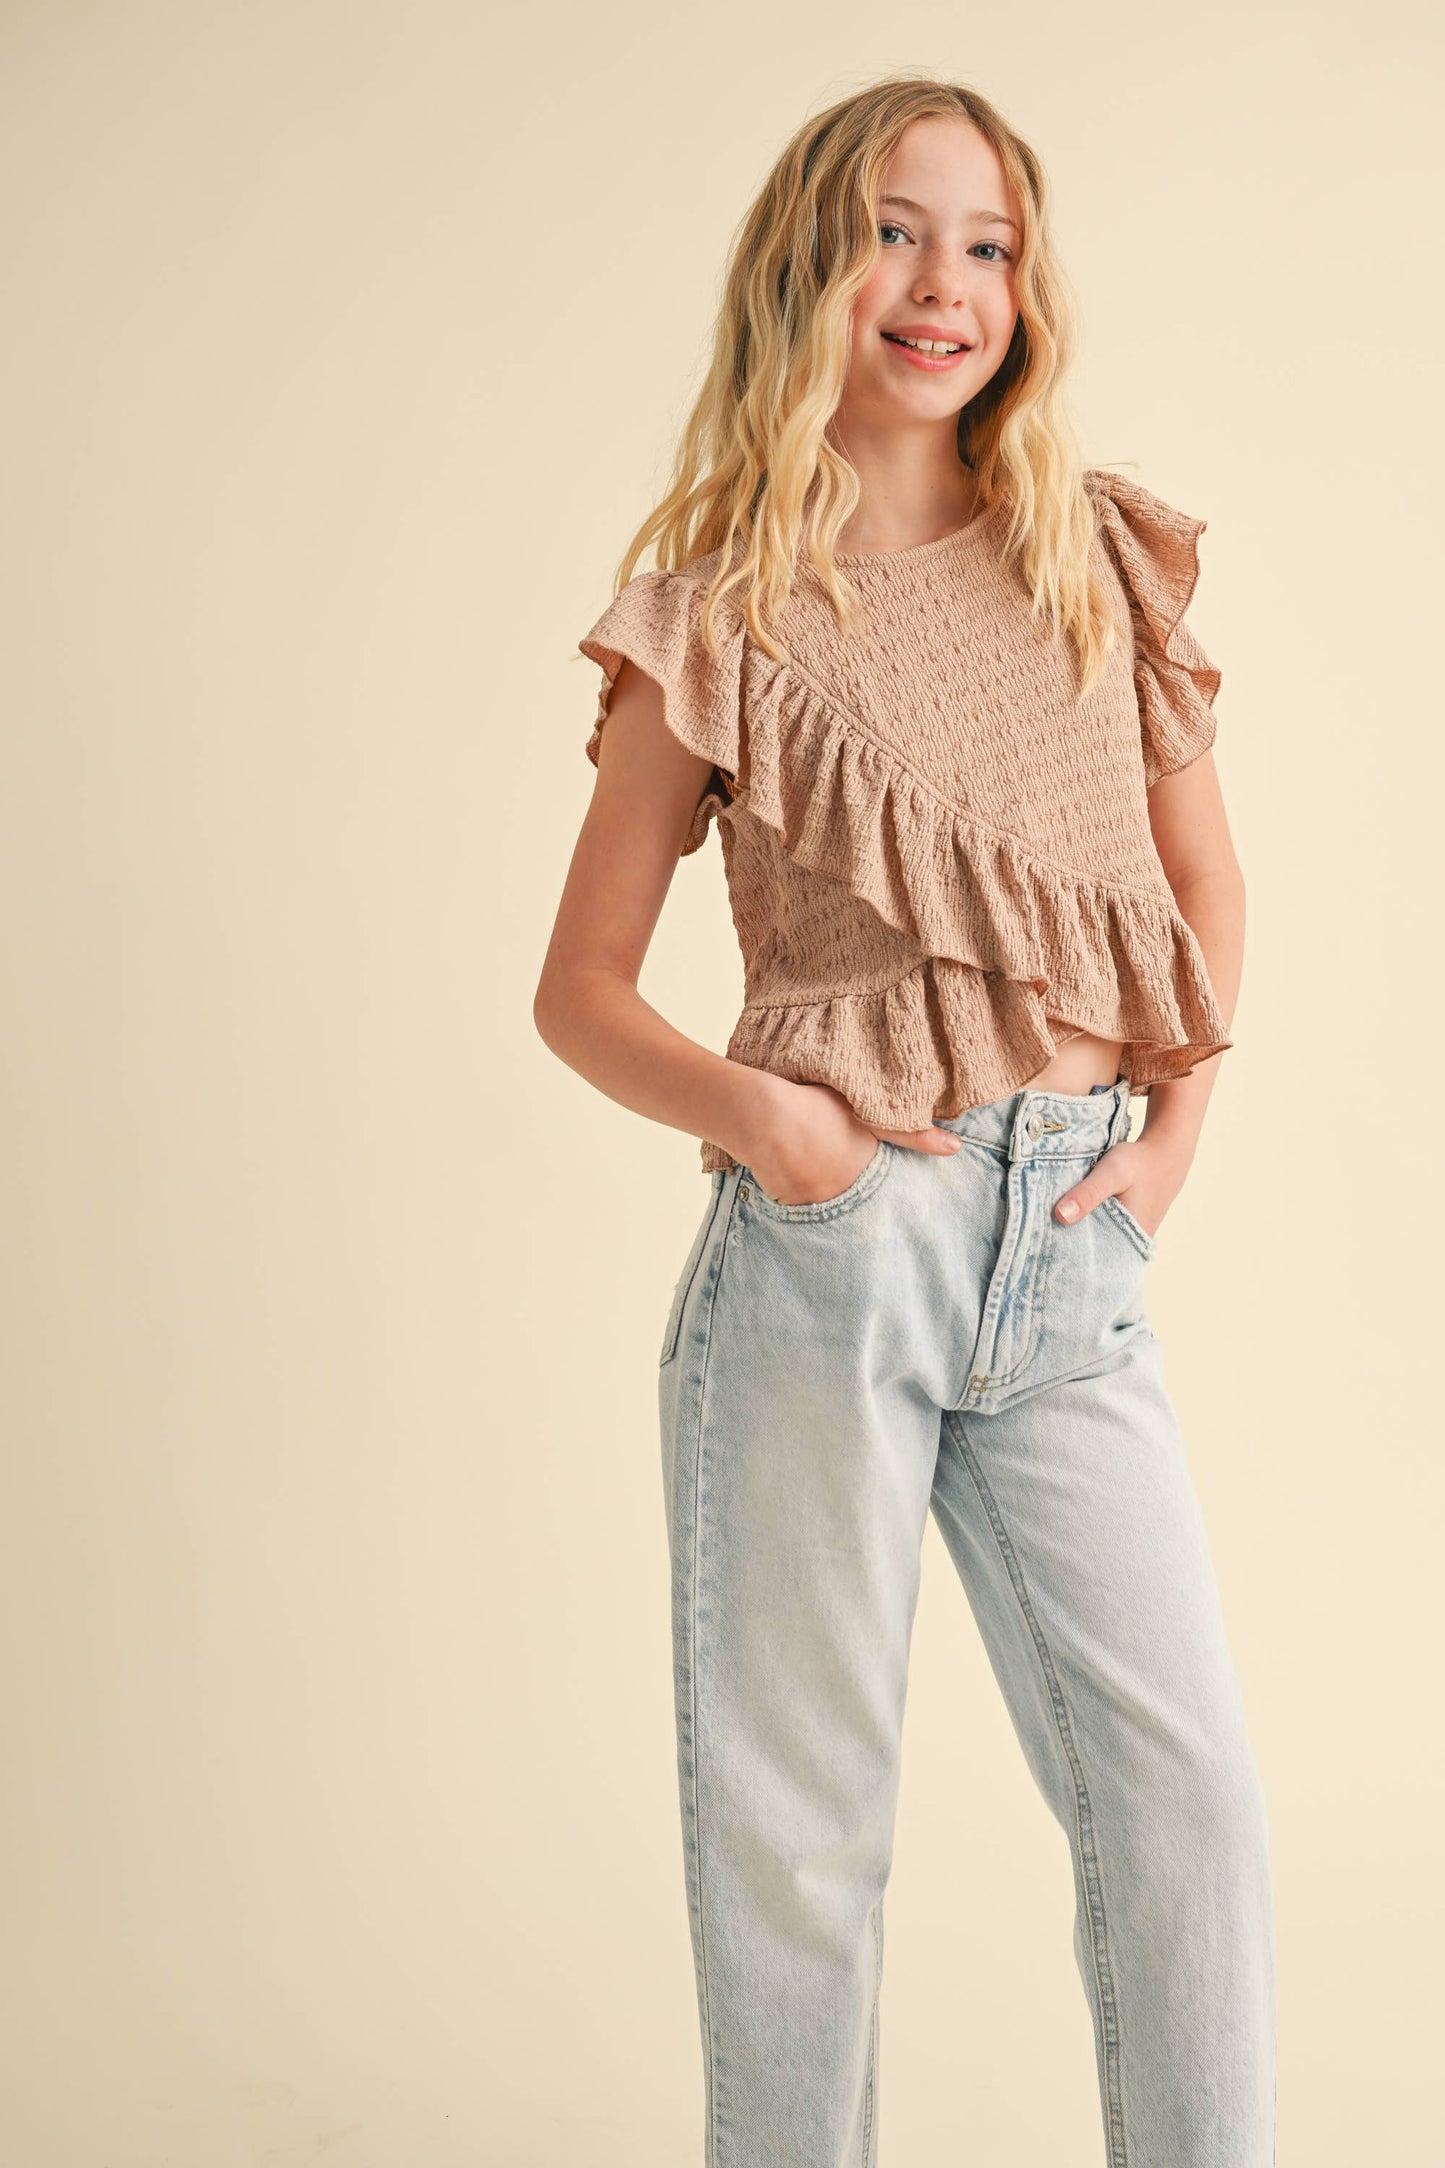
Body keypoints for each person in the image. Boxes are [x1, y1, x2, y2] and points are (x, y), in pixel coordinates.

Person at [534, 74, 1276, 2168]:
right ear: (809, 266)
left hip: (1067, 1252)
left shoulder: (1090, 553)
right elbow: (577, 988)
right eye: (894, 229)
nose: (943, 282)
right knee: (802, 1846)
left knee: (1186, 1799)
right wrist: (782, 1128)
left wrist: (1174, 1135)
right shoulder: (715, 609)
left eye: (989, 242)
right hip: (828, 1254)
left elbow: (1204, 888)